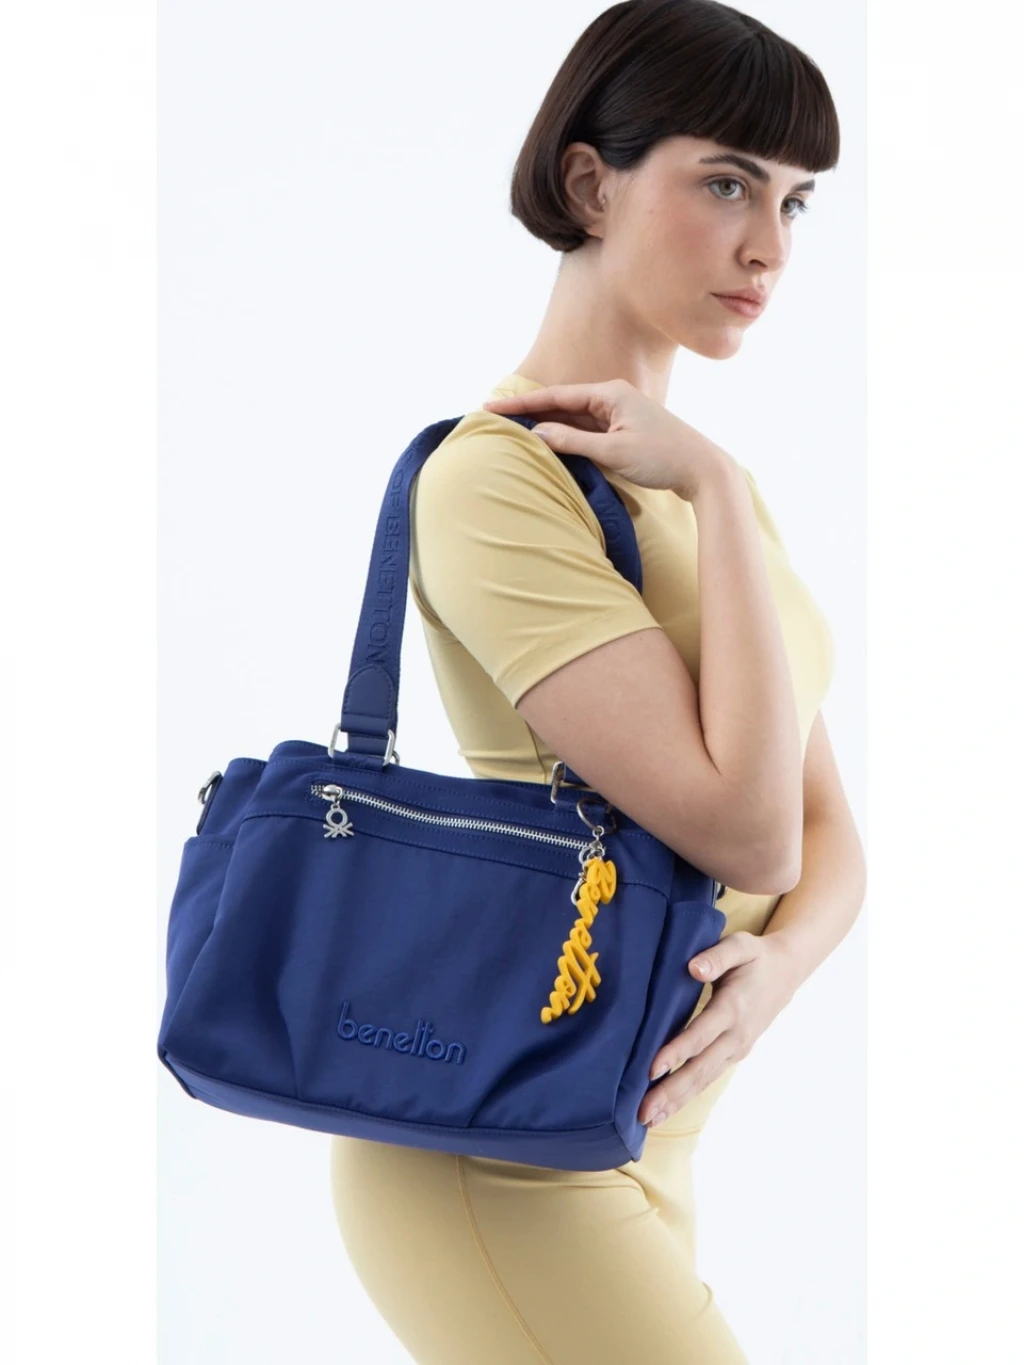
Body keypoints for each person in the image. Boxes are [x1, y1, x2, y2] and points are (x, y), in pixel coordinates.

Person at [329, 2, 866, 1360]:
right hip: (502, 1158)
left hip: (643, 1131)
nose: (770, 245)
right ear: (590, 182)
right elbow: (748, 833)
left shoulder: (703, 492)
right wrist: (717, 487)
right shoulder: (497, 481)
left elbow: (832, 838)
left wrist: (777, 973)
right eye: (728, 183)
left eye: (798, 201)